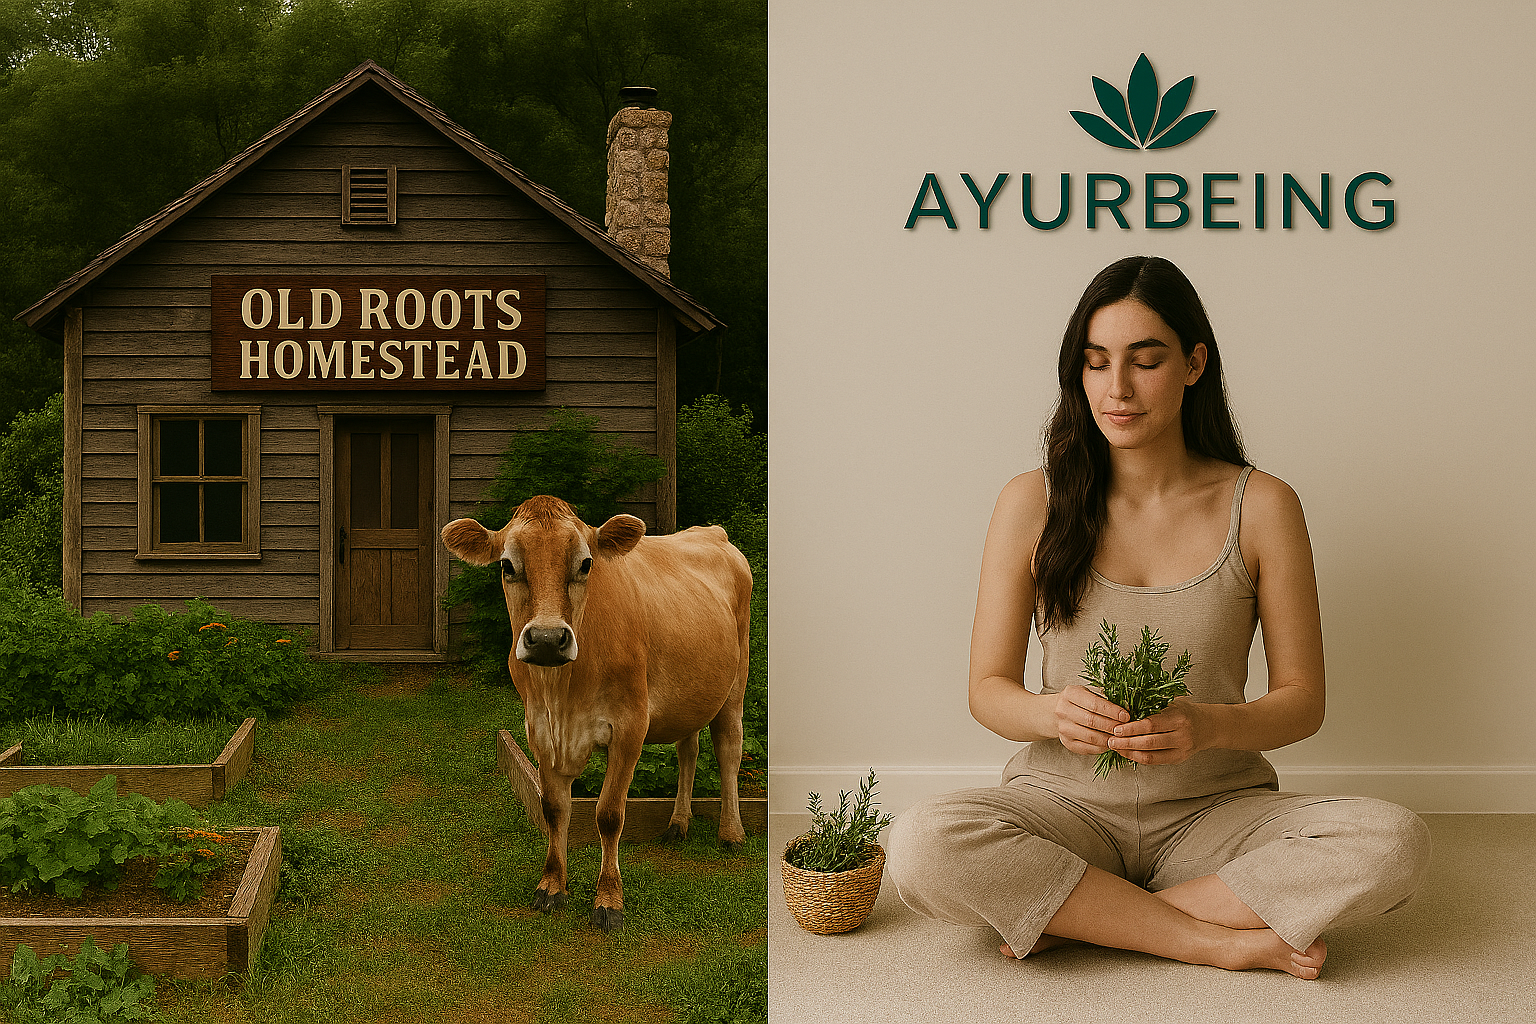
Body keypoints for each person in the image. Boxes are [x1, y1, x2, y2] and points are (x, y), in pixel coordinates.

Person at [884, 255, 1430, 980]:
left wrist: (1210, 725)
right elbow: (988, 687)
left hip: (1216, 812)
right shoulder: (1031, 502)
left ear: (1194, 363)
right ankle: (1209, 938)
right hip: (1063, 809)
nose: (1117, 389)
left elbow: (1303, 701)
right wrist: (1053, 716)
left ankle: (1083, 914)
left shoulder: (1262, 505)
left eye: (1145, 362)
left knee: (1395, 842)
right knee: (922, 842)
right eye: (1096, 362)